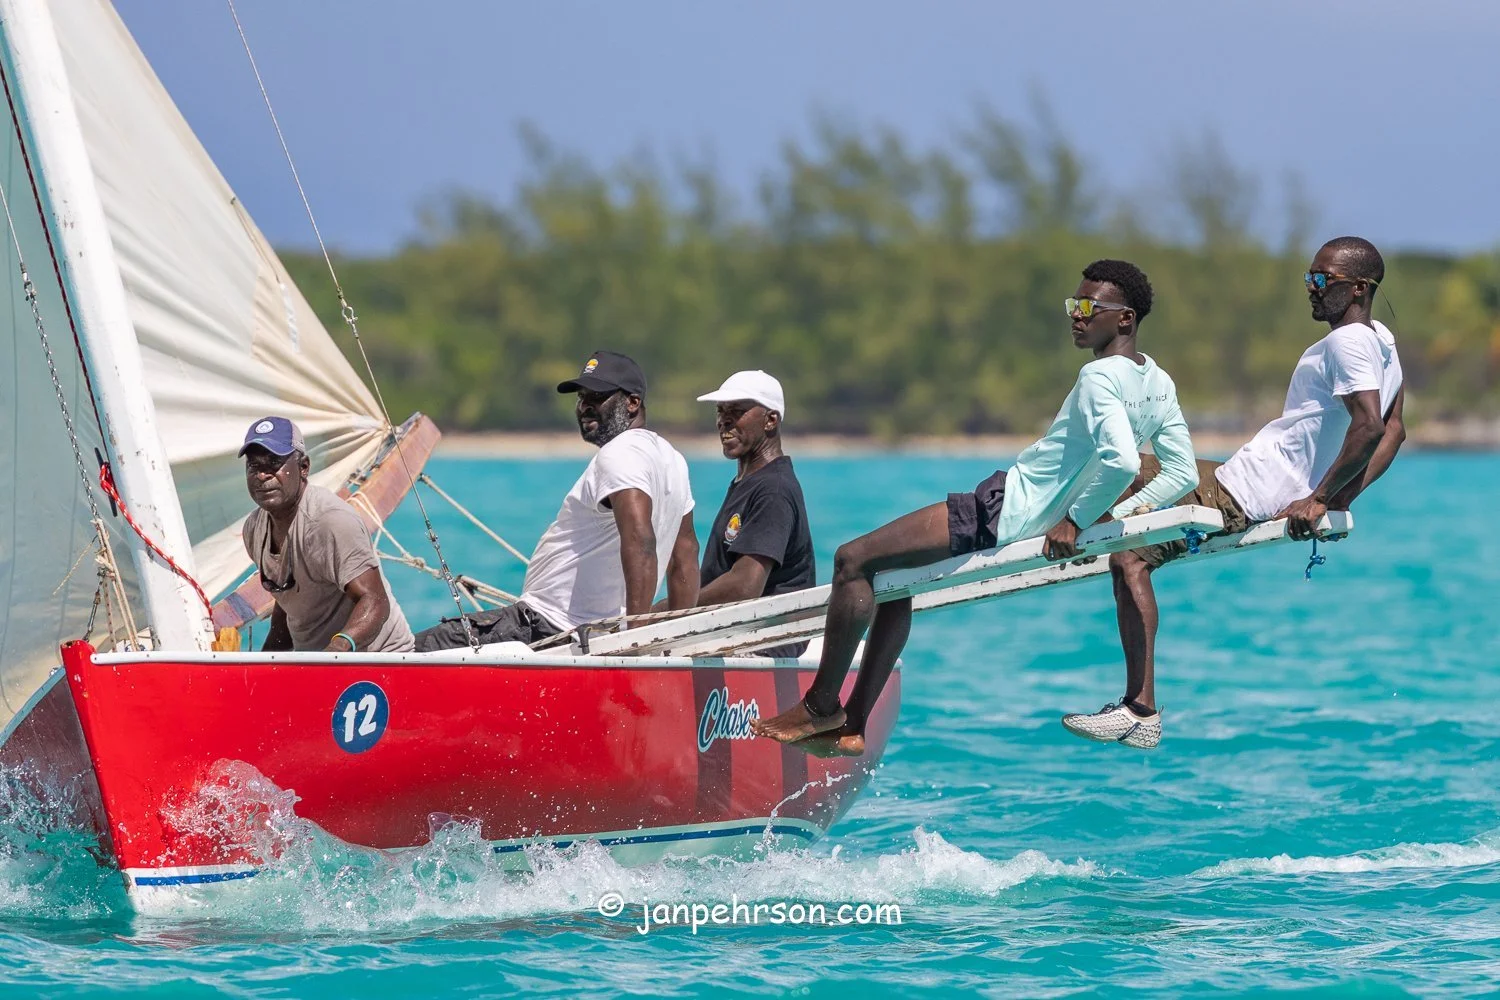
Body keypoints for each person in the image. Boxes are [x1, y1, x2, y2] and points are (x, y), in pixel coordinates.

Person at [752, 259, 1198, 754]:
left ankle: (820, 706)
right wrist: (1121, 512)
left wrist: (1077, 519)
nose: (1075, 315)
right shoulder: (1158, 382)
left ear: (1125, 320)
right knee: (892, 577)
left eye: (1088, 306)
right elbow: (1183, 473)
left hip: (1006, 509)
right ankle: (853, 724)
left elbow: (1118, 460)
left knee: (851, 559)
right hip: (1028, 513)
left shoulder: (1099, 377)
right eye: (1074, 304)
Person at [1063, 236, 1406, 749]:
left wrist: (1320, 498)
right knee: (1131, 469)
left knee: (1128, 556)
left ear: (1358, 288)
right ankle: (1056, 529)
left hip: (1248, 493)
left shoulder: (1348, 342)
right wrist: (1340, 497)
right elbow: (1395, 430)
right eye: (1308, 278)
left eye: (1322, 281)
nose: (1310, 290)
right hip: (1246, 478)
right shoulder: (1383, 341)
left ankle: (1139, 709)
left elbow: (1371, 427)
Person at [415, 350, 699, 651]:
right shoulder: (673, 459)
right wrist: (676, 640)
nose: (584, 406)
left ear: (632, 402)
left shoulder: (621, 453)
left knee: (413, 649)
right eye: (581, 397)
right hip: (582, 634)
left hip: (547, 627)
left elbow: (641, 541)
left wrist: (637, 644)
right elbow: (686, 554)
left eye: (597, 397)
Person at [240, 416, 415, 653]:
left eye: (274, 463)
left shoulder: (330, 521)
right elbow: (287, 602)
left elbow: (375, 601)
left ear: (303, 467)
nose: (263, 475)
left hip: (379, 659)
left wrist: (336, 652)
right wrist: (265, 669)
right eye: (254, 466)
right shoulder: (253, 530)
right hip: (316, 665)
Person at [692, 370, 815, 657]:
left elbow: (744, 585)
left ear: (771, 420)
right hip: (733, 629)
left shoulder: (774, 489)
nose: (724, 420)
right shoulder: (747, 483)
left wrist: (671, 609)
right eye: (721, 411)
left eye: (736, 411)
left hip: (766, 642)